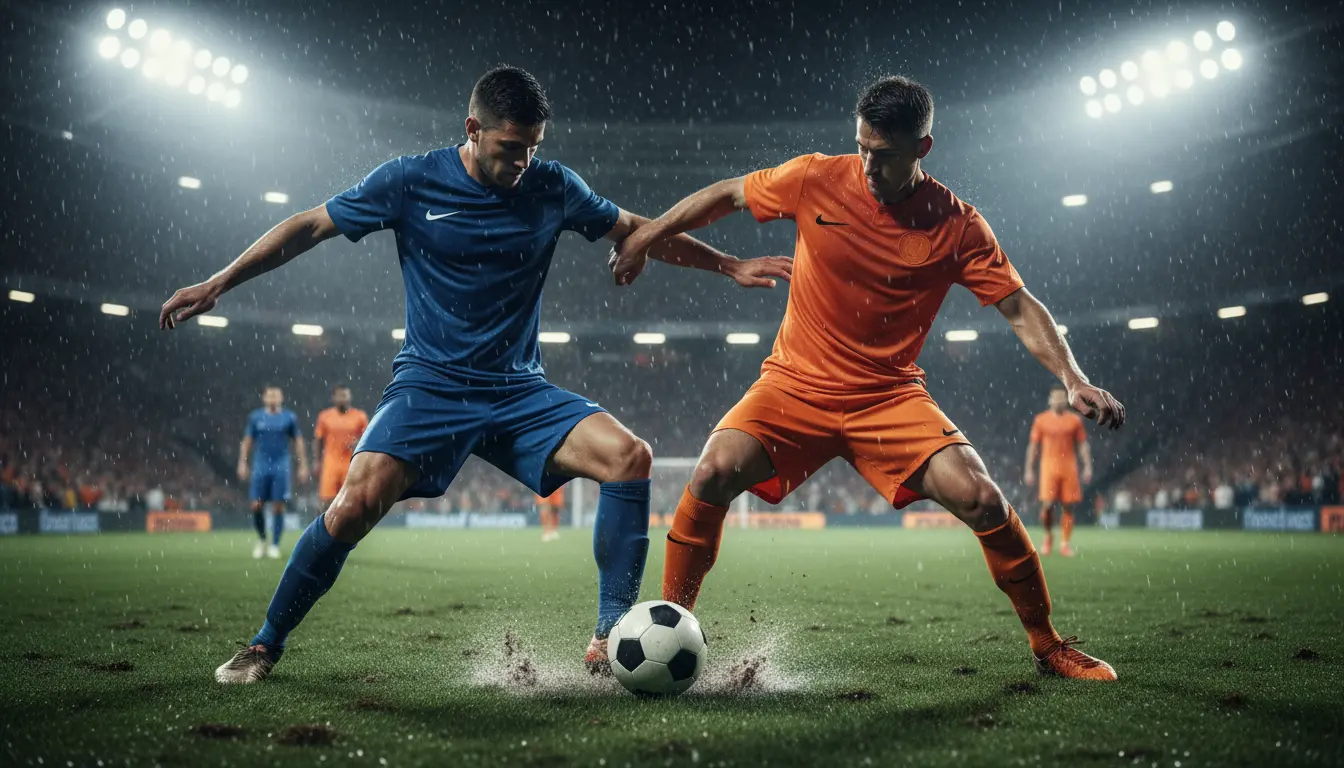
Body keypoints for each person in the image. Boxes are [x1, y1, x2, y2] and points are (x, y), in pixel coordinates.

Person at [159, 66, 789, 684]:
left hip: (518, 391)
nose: (522, 162)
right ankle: (264, 645)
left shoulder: (552, 185)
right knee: (353, 506)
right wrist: (222, 281)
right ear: (472, 129)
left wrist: (728, 264)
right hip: (430, 386)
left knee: (630, 457)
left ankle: (608, 636)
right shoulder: (410, 181)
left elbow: (636, 231)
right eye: (510, 148)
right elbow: (310, 226)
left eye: (533, 148)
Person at [611, 75, 1126, 681]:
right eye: (861, 147)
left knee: (984, 499)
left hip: (888, 396)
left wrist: (1072, 377)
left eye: (883, 155)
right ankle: (674, 627)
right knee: (713, 470)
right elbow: (729, 195)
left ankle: (1048, 645)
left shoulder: (957, 225)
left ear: (922, 149)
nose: (868, 164)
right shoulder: (815, 177)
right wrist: (646, 235)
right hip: (794, 384)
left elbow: (1018, 305)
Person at [240, 386, 308, 559]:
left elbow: (298, 441)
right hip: (260, 465)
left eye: (276, 395)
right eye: (269, 395)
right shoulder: (255, 417)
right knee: (256, 505)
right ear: (264, 398)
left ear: (281, 398)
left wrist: (302, 465)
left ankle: (275, 545)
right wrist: (242, 462)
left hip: (281, 465)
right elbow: (247, 441)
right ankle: (262, 539)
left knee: (278, 506)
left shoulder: (289, 417)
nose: (273, 398)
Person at [1024, 385, 1092, 556]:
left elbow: (1082, 444)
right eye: (1055, 397)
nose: (1059, 400)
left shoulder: (1075, 420)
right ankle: (1048, 536)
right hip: (1048, 467)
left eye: (1062, 397)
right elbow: (1033, 445)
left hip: (1069, 467)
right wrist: (1029, 469)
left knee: (1068, 507)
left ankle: (1065, 543)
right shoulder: (1041, 420)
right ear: (1050, 400)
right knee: (1047, 506)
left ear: (1067, 399)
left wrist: (1087, 466)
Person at [312, 384, 369, 513]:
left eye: (345, 395)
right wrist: (316, 461)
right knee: (326, 502)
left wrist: (358, 442)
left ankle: (350, 531)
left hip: (351, 463)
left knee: (351, 500)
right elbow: (318, 439)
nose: (343, 398)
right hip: (331, 463)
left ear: (350, 397)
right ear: (333, 398)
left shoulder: (360, 416)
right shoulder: (325, 416)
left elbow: (368, 438)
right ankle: (322, 531)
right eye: (340, 395)